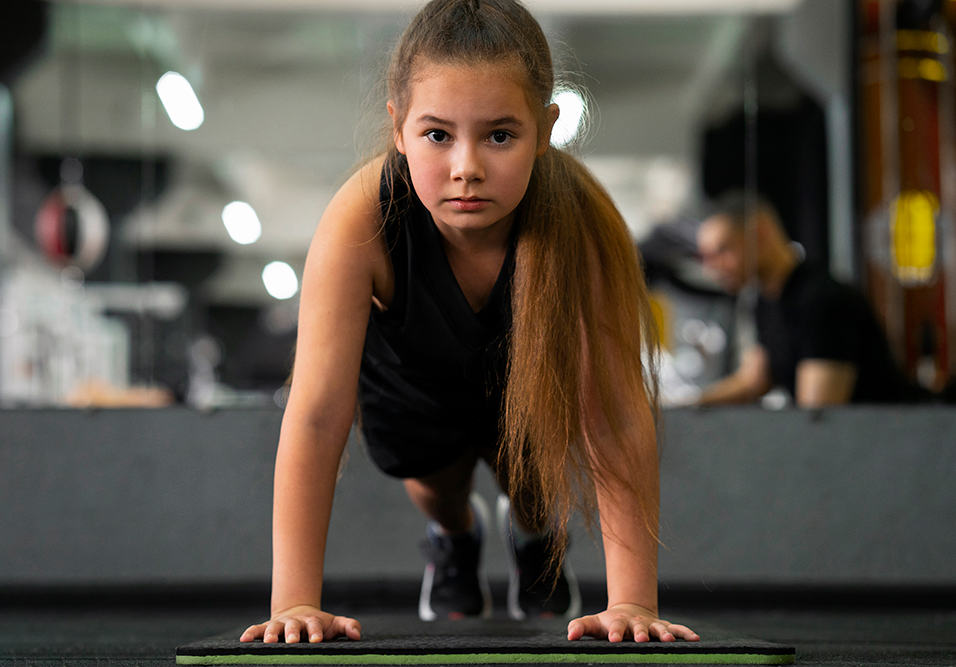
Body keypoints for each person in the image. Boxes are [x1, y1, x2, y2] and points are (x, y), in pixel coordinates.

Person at [239, 0, 699, 646]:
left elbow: (618, 415)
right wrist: (292, 601)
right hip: (412, 382)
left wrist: (632, 602)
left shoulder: (584, 223)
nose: (466, 167)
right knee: (437, 486)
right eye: (438, 135)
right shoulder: (360, 220)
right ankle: (455, 538)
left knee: (534, 486)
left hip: (529, 379)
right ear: (398, 128)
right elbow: (315, 414)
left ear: (545, 128)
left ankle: (536, 538)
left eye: (500, 135)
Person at [696, 193, 923, 407]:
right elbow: (754, 381)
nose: (711, 269)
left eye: (723, 250)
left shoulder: (820, 300)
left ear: (760, 233)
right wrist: (686, 405)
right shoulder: (765, 302)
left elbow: (815, 419)